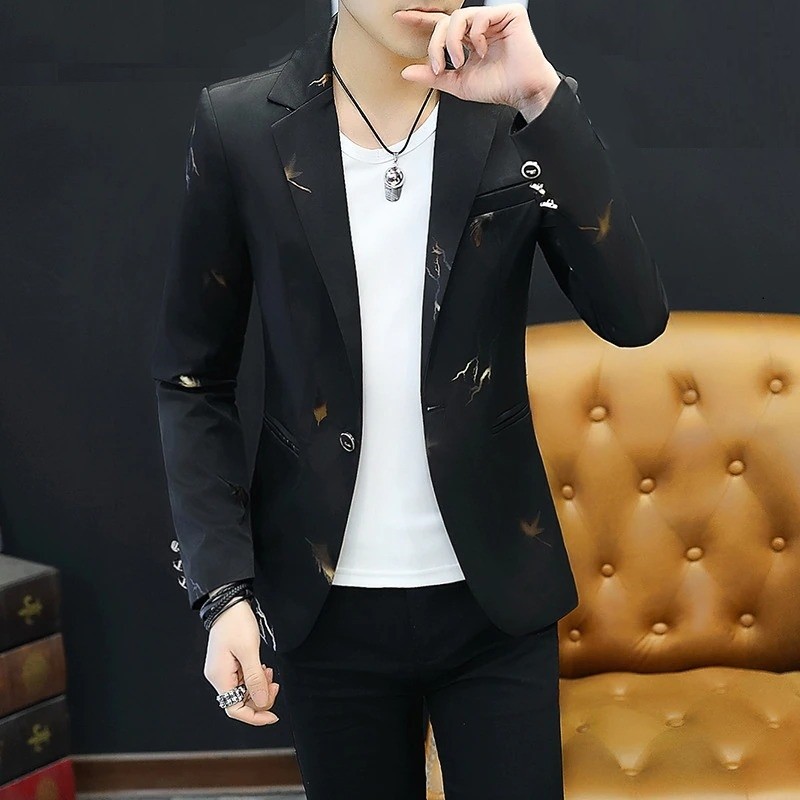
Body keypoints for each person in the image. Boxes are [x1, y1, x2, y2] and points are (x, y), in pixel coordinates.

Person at [151, 2, 670, 798]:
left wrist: (539, 97)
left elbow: (633, 319)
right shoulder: (242, 124)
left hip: (495, 593)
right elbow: (193, 378)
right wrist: (222, 590)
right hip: (322, 605)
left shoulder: (508, 108)